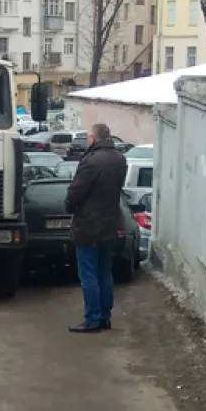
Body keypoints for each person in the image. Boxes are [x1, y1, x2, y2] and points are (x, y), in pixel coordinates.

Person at [64, 123, 127, 333]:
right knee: (104, 272)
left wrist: (70, 206)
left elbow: (76, 191)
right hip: (110, 223)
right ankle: (105, 317)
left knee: (88, 274)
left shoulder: (91, 161)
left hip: (89, 225)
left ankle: (92, 319)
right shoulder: (120, 159)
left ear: (93, 138)